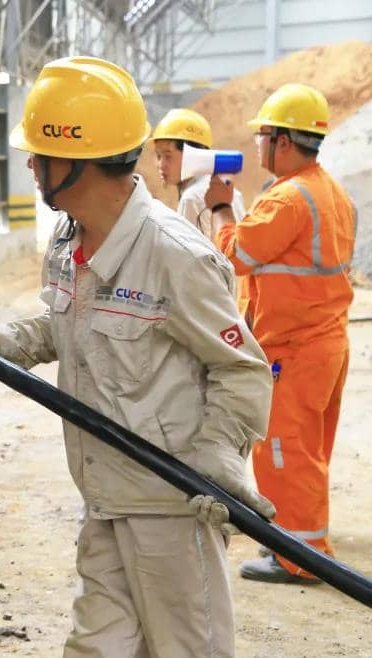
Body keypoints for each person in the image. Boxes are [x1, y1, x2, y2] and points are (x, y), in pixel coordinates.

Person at [0, 57, 274, 658]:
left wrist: (219, 455)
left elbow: (241, 368)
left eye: (38, 154)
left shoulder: (175, 256)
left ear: (74, 161)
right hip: (104, 499)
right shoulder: (68, 238)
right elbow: (59, 326)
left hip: (170, 506)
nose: (28, 165)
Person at [206, 83, 356, 585]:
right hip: (326, 343)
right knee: (307, 450)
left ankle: (299, 558)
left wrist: (221, 207)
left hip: (295, 348)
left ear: (284, 142)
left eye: (262, 136)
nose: (257, 144)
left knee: (284, 451)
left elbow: (237, 255)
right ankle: (299, 538)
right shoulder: (329, 192)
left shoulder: (289, 198)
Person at [151, 108, 247, 238]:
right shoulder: (231, 192)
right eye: (158, 156)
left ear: (191, 155)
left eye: (168, 156)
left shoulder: (191, 199)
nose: (160, 165)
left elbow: (187, 250)